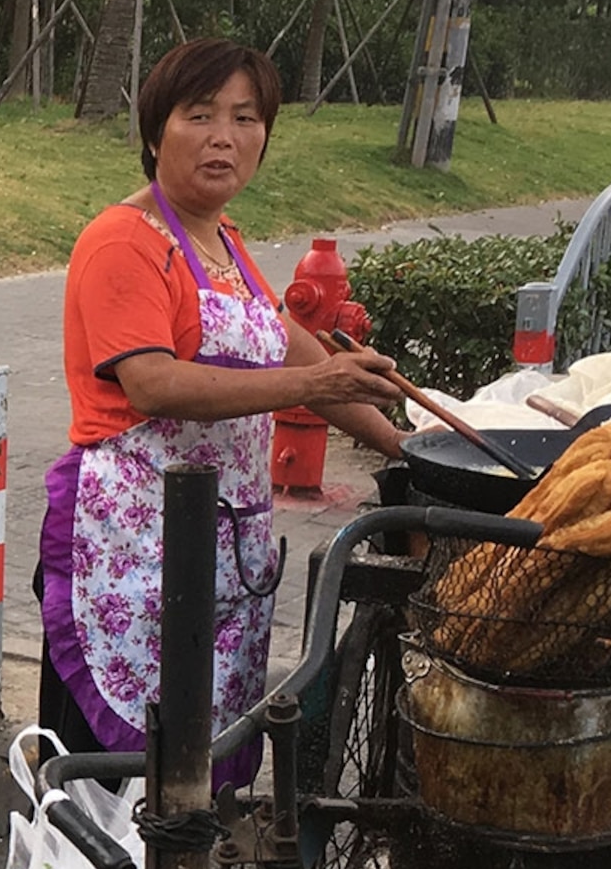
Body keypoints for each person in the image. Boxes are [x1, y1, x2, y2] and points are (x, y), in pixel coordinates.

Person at [36, 40, 410, 772]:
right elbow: (155, 383)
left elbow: (296, 347)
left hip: (221, 549)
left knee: (201, 768)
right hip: (131, 550)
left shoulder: (225, 242)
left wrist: (406, 443)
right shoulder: (123, 242)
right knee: (117, 783)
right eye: (199, 115)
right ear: (154, 133)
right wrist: (312, 388)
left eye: (244, 117)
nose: (223, 137)